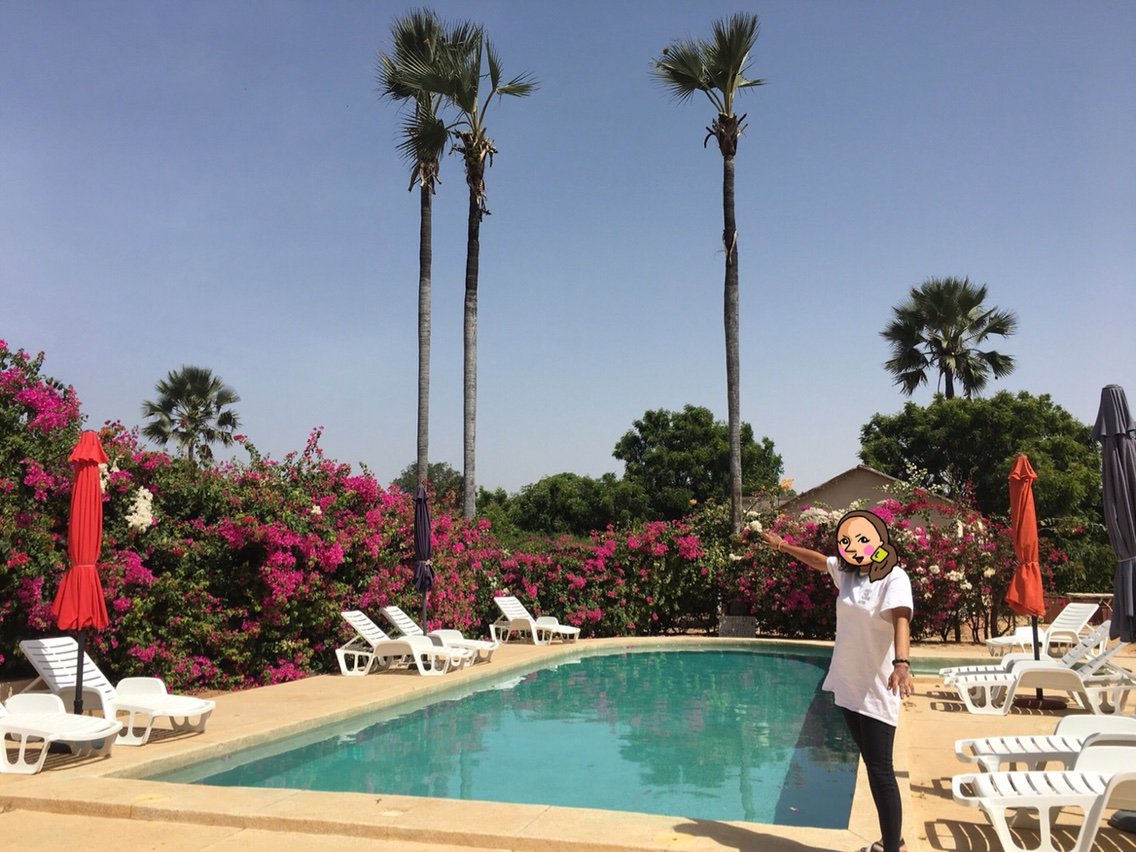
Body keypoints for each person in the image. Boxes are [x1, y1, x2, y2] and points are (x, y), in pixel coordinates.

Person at [761, 509, 914, 852]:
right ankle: (893, 841)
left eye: (862, 539)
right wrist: (783, 546)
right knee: (873, 765)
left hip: (877, 685)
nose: (854, 546)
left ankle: (894, 847)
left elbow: (902, 618)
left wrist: (901, 662)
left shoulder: (894, 577)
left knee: (881, 769)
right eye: (847, 540)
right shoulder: (847, 573)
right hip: (849, 682)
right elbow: (819, 561)